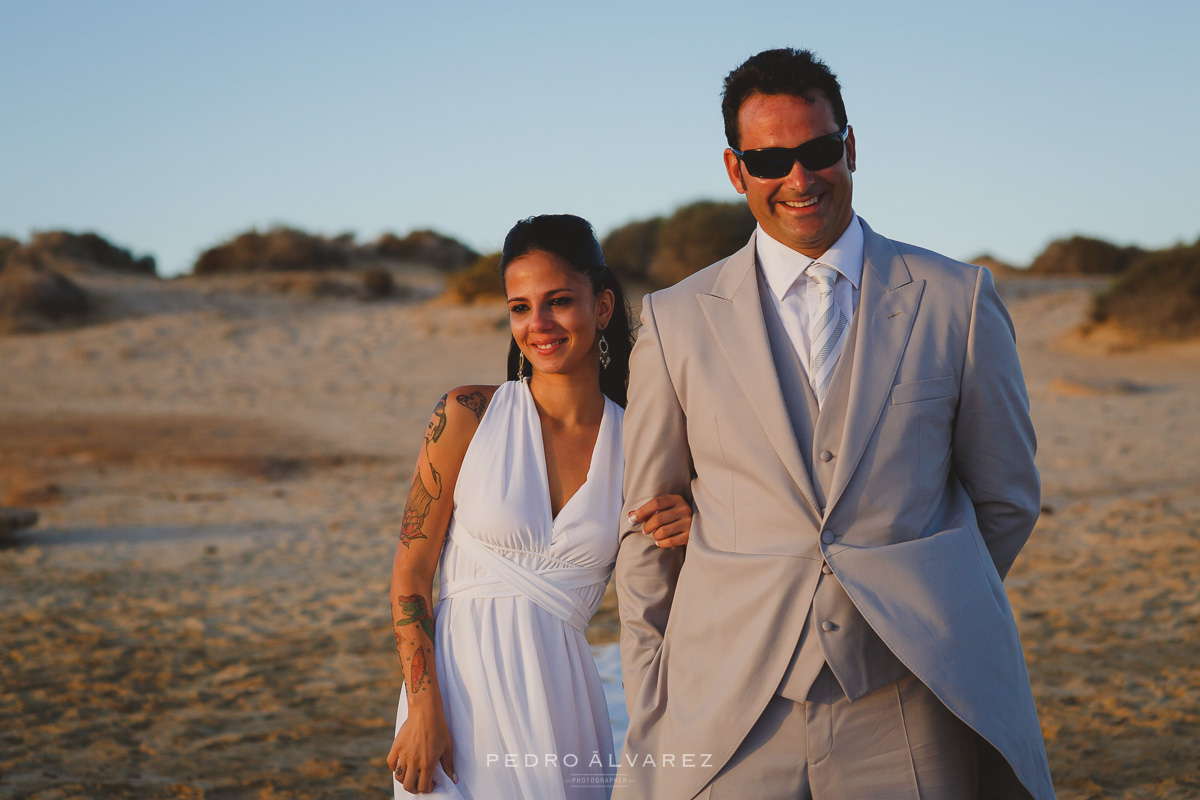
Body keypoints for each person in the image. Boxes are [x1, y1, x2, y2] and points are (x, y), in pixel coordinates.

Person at [614, 48, 1056, 800]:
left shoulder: (956, 299)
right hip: (727, 704)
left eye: (818, 150)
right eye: (771, 159)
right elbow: (643, 530)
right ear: (734, 169)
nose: (799, 177)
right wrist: (657, 681)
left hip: (908, 702)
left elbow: (1007, 497)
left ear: (849, 147)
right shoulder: (676, 319)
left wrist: (925, 603)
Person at [385, 214, 692, 799]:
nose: (538, 324)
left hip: (561, 703)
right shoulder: (467, 415)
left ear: (601, 308)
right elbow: (411, 575)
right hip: (453, 699)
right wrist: (423, 711)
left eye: (558, 302)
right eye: (520, 307)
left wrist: (694, 523)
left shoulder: (643, 443)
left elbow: (688, 576)